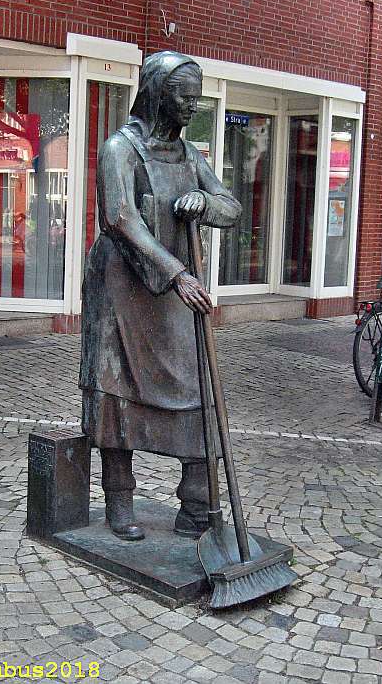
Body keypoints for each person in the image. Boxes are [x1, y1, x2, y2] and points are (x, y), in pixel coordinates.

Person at [79, 51, 241, 541]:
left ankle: (197, 503)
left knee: (196, 387)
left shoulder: (190, 155)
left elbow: (230, 206)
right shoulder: (120, 149)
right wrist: (176, 273)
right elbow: (120, 219)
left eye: (196, 98)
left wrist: (205, 201)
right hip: (123, 289)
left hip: (174, 292)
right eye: (184, 97)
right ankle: (119, 500)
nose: (192, 106)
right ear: (155, 95)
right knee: (117, 389)